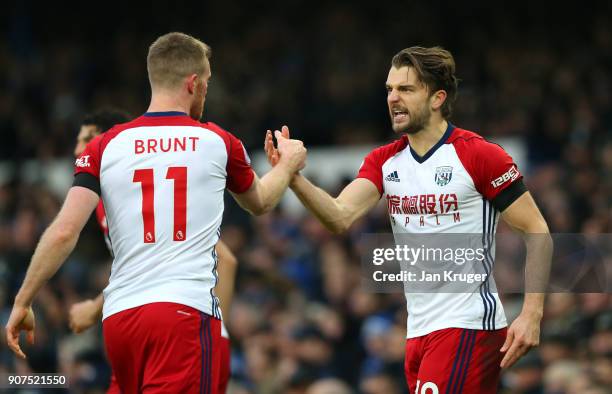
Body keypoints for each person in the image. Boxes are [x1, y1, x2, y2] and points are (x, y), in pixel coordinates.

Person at [6, 31, 306, 394]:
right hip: (183, 317)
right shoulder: (218, 141)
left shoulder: (105, 145)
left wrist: (23, 300)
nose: (207, 91)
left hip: (121, 323)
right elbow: (261, 201)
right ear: (193, 83)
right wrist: (287, 166)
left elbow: (64, 231)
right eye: (207, 81)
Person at [265, 46, 552, 393]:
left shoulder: (479, 155)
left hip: (467, 324)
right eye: (389, 89)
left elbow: (536, 229)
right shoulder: (385, 162)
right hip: (418, 331)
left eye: (406, 89)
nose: (393, 98)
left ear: (437, 98)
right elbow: (339, 216)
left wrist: (532, 314)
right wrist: (293, 176)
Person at [68, 108, 238, 393]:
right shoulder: (105, 198)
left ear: (108, 142)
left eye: (86, 140)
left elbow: (227, 259)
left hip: (189, 334)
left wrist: (216, 332)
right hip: (151, 326)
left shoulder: (141, 193)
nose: (77, 150)